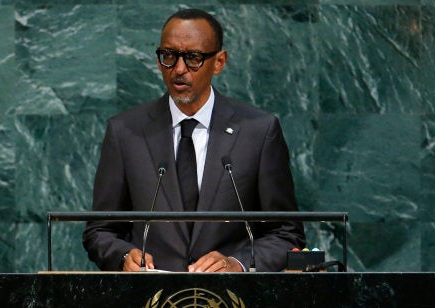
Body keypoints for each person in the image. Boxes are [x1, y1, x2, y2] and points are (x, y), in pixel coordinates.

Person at [83, 8, 305, 272]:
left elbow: (286, 234)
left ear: (219, 62)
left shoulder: (258, 132)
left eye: (193, 58)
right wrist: (123, 256)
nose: (178, 69)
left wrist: (238, 263)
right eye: (168, 56)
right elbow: (100, 231)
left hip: (234, 304)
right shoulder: (126, 132)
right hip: (151, 303)